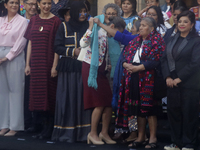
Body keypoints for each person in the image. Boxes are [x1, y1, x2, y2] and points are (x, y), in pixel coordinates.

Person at [116, 17, 165, 149]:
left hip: (150, 77)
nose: (140, 28)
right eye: (140, 25)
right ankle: (141, 136)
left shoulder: (157, 40)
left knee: (150, 109)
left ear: (152, 28)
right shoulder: (135, 40)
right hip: (134, 76)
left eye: (144, 25)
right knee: (137, 108)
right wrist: (126, 64)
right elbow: (125, 56)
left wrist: (137, 68)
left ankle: (153, 138)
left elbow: (155, 60)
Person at [81, 16, 126, 145]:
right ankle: (93, 133)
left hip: (102, 70)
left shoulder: (109, 37)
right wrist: (90, 28)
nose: (116, 36)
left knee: (108, 102)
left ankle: (104, 133)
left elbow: (105, 53)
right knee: (99, 103)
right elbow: (83, 43)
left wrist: (107, 65)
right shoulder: (97, 31)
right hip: (91, 69)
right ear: (112, 27)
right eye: (117, 32)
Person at [51, 1, 92, 143]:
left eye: (84, 11)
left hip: (85, 68)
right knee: (68, 99)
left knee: (82, 99)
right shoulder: (64, 26)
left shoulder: (89, 26)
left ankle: (84, 133)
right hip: (68, 69)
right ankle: (67, 133)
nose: (83, 14)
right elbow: (57, 47)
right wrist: (73, 51)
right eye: (80, 11)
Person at [161, 10, 200, 150]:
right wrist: (168, 76)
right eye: (179, 21)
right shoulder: (172, 39)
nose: (182, 24)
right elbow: (164, 58)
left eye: (185, 22)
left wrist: (179, 78)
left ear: (192, 24)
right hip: (171, 84)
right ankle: (177, 143)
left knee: (189, 115)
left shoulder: (196, 41)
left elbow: (196, 63)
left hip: (189, 84)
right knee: (174, 114)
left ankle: (189, 143)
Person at [24, 0, 61, 139]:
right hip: (36, 64)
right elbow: (30, 43)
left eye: (49, 4)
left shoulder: (56, 21)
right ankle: (39, 126)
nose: (46, 6)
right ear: (38, 4)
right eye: (43, 3)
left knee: (49, 95)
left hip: (49, 63)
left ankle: (49, 128)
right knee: (37, 95)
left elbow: (58, 45)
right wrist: (28, 64)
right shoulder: (33, 20)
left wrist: (54, 65)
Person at [0, 0, 28, 136]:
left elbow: (22, 41)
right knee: (3, 92)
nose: (14, 5)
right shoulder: (1, 19)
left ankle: (15, 126)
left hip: (14, 55)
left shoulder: (23, 21)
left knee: (16, 90)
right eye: (11, 2)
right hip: (0, 54)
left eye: (16, 3)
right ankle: (4, 125)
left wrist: (8, 56)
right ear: (5, 5)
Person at [22, 0, 38, 131]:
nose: (33, 7)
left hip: (36, 59)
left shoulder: (39, 19)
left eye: (35, 4)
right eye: (30, 4)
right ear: (24, 4)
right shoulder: (19, 19)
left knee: (32, 89)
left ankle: (34, 122)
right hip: (17, 57)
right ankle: (23, 120)